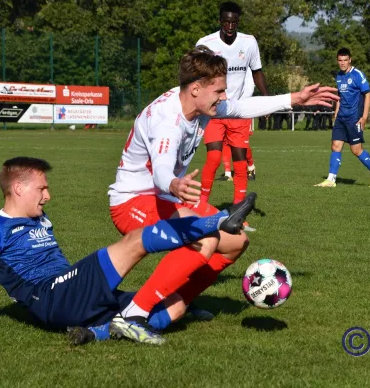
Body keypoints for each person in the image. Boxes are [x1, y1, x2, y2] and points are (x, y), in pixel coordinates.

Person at [107, 46, 338, 335]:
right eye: (219, 91)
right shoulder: (168, 121)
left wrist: (294, 99)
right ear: (195, 88)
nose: (224, 97)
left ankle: (178, 301)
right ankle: (133, 313)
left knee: (235, 242)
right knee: (205, 240)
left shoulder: (198, 103)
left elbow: (241, 108)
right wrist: (174, 183)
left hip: (162, 196)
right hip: (132, 202)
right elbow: (162, 167)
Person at [0, 157, 257, 346]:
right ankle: (218, 220)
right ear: (17, 188)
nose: (48, 195)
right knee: (134, 242)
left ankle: (96, 333)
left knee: (175, 307)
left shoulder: (37, 218)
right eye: (42, 188)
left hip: (71, 290)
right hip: (50, 296)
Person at [197, 2, 268, 218]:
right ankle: (200, 209)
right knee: (214, 158)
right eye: (226, 21)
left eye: (234, 22)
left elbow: (257, 72)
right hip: (214, 111)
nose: (230, 25)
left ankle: (238, 214)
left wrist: (266, 100)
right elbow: (195, 74)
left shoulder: (249, 42)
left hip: (239, 111)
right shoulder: (205, 44)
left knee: (240, 162)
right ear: (220, 20)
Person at [314, 48, 370, 188]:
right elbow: (340, 96)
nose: (343, 63)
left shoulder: (357, 75)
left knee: (356, 149)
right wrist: (336, 112)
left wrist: (364, 117)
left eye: (345, 60)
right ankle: (331, 180)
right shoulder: (339, 76)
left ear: (350, 60)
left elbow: (368, 95)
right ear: (337, 61)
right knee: (335, 146)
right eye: (340, 60)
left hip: (354, 118)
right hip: (341, 117)